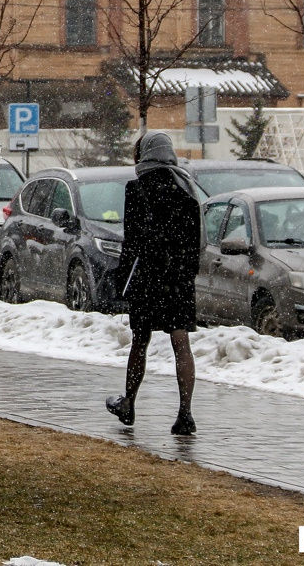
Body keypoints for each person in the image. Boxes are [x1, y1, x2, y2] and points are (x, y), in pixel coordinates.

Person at [106, 131, 202, 435]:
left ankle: (129, 404)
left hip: (148, 276)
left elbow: (131, 241)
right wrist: (186, 273)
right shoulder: (186, 189)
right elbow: (195, 239)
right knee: (180, 341)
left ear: (143, 155)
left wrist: (124, 278)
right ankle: (185, 413)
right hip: (178, 279)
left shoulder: (137, 189)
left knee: (140, 340)